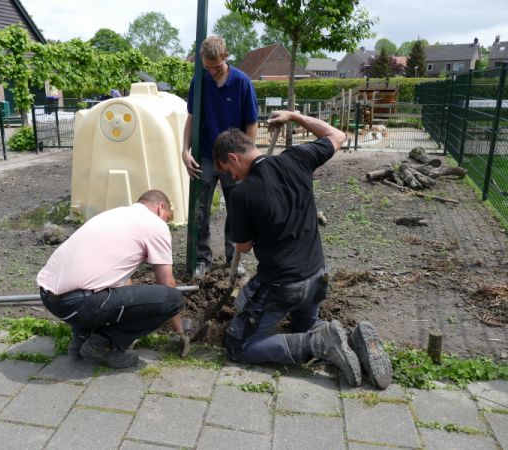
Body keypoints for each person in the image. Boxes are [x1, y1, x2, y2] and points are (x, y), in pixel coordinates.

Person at [212, 111, 392, 389]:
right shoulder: (296, 158)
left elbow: (244, 247)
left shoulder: (242, 194)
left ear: (234, 158)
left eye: (228, 170)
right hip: (318, 277)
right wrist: (296, 117)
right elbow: (337, 136)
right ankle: (351, 339)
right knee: (302, 327)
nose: (231, 176)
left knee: (239, 345)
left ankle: (318, 343)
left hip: (283, 286)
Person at [37, 190, 187, 368]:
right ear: (161, 208)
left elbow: (121, 280)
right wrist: (180, 331)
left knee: (99, 288)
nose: (165, 223)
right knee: (173, 299)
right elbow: (167, 284)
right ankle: (103, 345)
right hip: (79, 305)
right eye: (167, 218)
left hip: (50, 299)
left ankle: (79, 343)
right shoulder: (155, 224)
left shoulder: (114, 215)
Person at [182, 35, 259, 279]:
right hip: (205, 155)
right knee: (200, 209)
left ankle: (232, 257)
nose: (212, 72)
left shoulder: (242, 82)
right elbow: (192, 118)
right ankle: (202, 259)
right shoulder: (200, 81)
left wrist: (246, 158)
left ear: (226, 57)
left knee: (236, 208)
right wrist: (184, 150)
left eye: (216, 67)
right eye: (208, 67)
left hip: (232, 160)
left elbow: (252, 123)